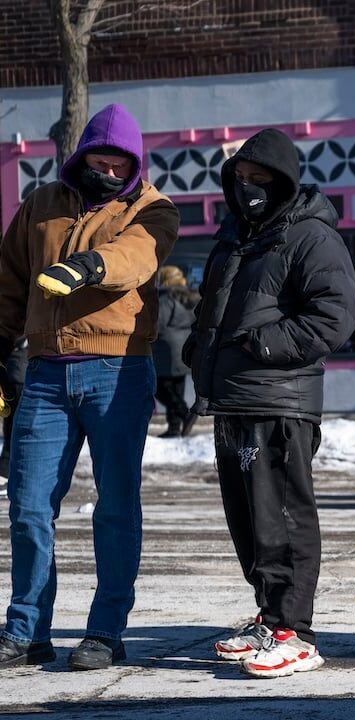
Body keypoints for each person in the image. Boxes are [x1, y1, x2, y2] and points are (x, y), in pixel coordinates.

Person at [0, 103, 180, 670]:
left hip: (117, 370)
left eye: (115, 163)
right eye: (95, 161)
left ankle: (105, 631)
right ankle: (27, 632)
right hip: (46, 372)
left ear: (132, 165)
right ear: (79, 159)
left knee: (115, 507)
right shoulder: (42, 204)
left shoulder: (153, 209)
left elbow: (135, 257)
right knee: (28, 505)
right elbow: (8, 279)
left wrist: (88, 267)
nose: (105, 171)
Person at [186, 128, 355, 678]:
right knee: (249, 521)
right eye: (242, 179)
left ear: (284, 184)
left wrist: (264, 344)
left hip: (280, 401)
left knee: (281, 514)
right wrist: (199, 352)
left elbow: (334, 315)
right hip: (234, 400)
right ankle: (270, 616)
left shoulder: (310, 236)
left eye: (262, 180)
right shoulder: (235, 237)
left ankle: (296, 632)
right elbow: (214, 312)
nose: (250, 189)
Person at [152, 265, 198, 438]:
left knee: (159, 387)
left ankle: (185, 413)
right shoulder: (190, 297)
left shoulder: (166, 298)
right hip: (185, 348)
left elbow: (158, 324)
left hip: (167, 350)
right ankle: (174, 428)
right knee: (176, 388)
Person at [0, 338, 28, 483]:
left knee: (11, 425)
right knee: (16, 427)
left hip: (14, 373)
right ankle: (7, 472)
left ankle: (5, 471)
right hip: (20, 375)